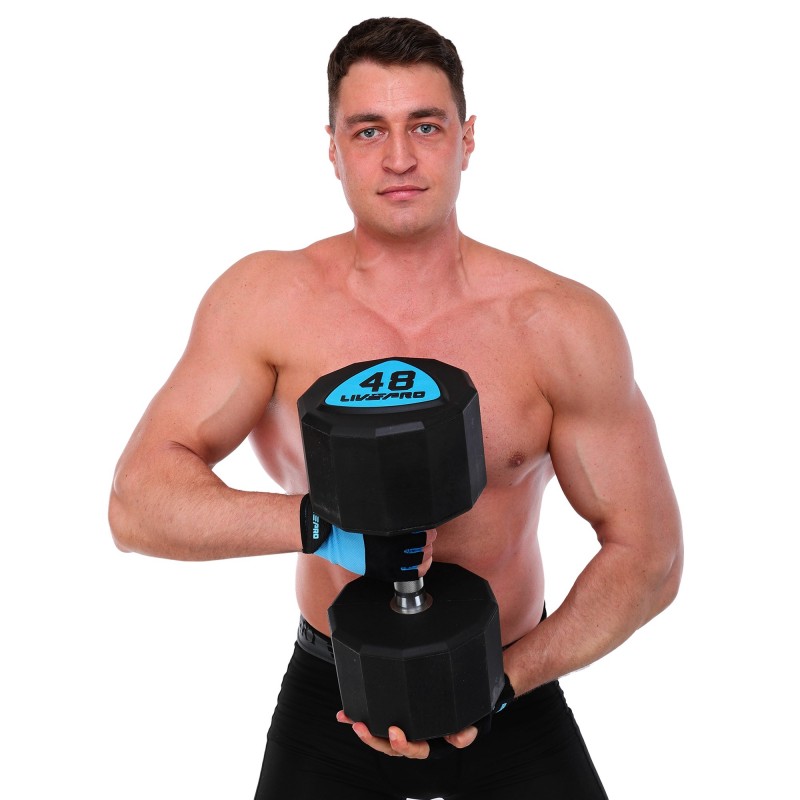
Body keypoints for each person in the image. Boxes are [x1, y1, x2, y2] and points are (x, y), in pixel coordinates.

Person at [109, 16, 683, 800]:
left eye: (426, 125)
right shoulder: (265, 304)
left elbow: (650, 556)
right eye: (369, 130)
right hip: (332, 696)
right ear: (333, 148)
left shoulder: (557, 324)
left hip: (508, 690)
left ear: (468, 139)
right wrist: (322, 528)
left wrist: (504, 680)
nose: (400, 158)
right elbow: (137, 505)